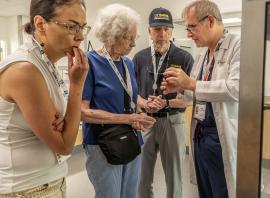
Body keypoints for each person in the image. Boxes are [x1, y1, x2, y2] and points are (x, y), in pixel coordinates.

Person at [0, 0, 89, 197]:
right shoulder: (25, 70)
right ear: (40, 25)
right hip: (27, 189)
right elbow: (65, 145)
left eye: (82, 27)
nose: (81, 36)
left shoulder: (45, 64)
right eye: (72, 26)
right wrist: (77, 85)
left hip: (48, 181)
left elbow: (67, 125)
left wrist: (65, 120)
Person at [161, 1, 240, 198]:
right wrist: (180, 88)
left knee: (221, 191)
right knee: (205, 191)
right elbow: (194, 94)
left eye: (192, 27)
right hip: (201, 136)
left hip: (221, 138)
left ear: (210, 21)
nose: (188, 34)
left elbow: (235, 89)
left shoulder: (238, 45)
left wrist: (191, 84)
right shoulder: (203, 53)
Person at [80, 4, 156, 198]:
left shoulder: (127, 63)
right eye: (128, 38)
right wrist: (127, 118)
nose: (133, 44)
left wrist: (140, 111)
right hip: (103, 144)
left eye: (134, 38)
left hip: (131, 139)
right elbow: (83, 112)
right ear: (111, 36)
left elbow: (126, 97)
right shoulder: (90, 62)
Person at [133, 7, 194, 198]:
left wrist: (166, 104)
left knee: (174, 176)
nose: (162, 34)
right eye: (157, 29)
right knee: (142, 176)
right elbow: (131, 93)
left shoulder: (184, 58)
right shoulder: (139, 58)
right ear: (149, 31)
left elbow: (190, 99)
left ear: (172, 31)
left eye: (167, 29)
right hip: (145, 121)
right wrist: (143, 103)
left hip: (172, 121)